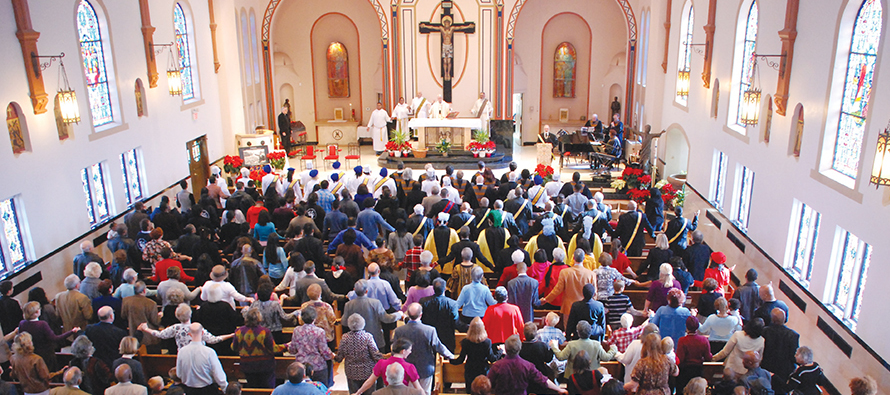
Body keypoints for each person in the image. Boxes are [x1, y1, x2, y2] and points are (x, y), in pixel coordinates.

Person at [487, 335, 567, 395]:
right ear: (519, 348)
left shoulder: (497, 366)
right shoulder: (527, 366)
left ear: (505, 349)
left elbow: (487, 383)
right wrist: (559, 389)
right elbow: (543, 380)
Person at [138, 303, 230, 352]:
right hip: (197, 355)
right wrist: (231, 335)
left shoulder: (176, 328)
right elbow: (213, 340)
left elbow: (160, 334)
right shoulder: (196, 327)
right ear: (190, 314)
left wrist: (146, 329)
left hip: (182, 356)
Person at [231, 308, 286, 389]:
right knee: (266, 388)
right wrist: (286, 346)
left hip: (247, 366)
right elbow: (273, 349)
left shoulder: (239, 331)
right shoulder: (264, 332)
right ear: (259, 319)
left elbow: (233, 347)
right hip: (265, 366)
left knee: (252, 387)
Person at [343, 280, 403, 350]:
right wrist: (398, 314)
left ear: (354, 290)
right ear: (366, 291)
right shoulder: (375, 303)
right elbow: (386, 319)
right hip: (375, 339)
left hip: (357, 341)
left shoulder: (348, 305)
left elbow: (344, 322)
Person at [18, 302, 78, 371]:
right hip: (45, 355)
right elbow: (55, 338)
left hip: (30, 354)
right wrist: (71, 332)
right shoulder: (42, 325)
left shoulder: (22, 324)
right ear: (37, 311)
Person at [335, 314, 384, 395]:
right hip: (368, 371)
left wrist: (334, 357)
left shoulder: (345, 338)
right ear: (363, 323)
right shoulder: (367, 337)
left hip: (351, 372)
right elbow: (375, 355)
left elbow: (339, 356)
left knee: (354, 393)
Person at [541, 249, 597, 320]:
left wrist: (546, 299)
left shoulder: (565, 272)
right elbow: (594, 294)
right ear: (584, 258)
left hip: (568, 308)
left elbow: (557, 290)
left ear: (573, 258)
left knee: (568, 330)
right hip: (585, 308)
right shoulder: (591, 274)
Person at [552, 321, 617, 380]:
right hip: (592, 375)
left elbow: (561, 357)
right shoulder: (596, 344)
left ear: (578, 332)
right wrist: (613, 349)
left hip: (573, 376)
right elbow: (606, 358)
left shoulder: (572, 344)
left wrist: (554, 346)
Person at [177, 323, 228, 395]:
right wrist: (225, 389)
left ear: (189, 334)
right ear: (202, 333)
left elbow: (179, 374)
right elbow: (218, 375)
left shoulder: (182, 351)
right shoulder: (209, 352)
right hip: (207, 390)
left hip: (189, 390)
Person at [450, 317, 500, 389]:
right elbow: (492, 358)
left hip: (470, 371)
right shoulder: (487, 342)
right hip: (482, 371)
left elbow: (461, 359)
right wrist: (500, 351)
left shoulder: (465, 342)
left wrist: (450, 360)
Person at [761, 308, 799, 394]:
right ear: (785, 319)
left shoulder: (764, 331)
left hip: (767, 367)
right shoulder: (793, 335)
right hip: (784, 370)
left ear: (772, 320)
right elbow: (793, 355)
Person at [121, 282, 161, 352]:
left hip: (133, 333)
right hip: (149, 337)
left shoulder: (126, 301)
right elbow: (155, 321)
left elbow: (123, 316)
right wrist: (160, 317)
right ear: (144, 290)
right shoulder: (151, 303)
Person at [676, 316, 711, 391]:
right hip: (698, 371)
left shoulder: (682, 341)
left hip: (685, 372)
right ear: (697, 326)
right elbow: (708, 357)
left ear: (686, 326)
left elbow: (680, 359)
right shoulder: (704, 340)